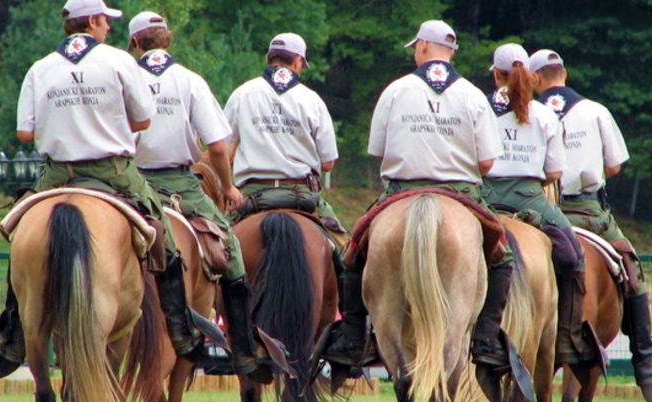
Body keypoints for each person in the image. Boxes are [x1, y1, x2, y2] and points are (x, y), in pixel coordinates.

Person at [0, 0, 205, 373]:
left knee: (19, 234)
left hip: (57, 174)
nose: (108, 28)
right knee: (164, 234)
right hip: (113, 171)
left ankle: (12, 333)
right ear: (92, 20)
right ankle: (179, 325)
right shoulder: (119, 61)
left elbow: (25, 133)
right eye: (105, 21)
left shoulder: (41, 67)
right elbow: (144, 120)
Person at [318, 20, 517, 372]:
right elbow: (487, 163)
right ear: (451, 52)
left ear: (423, 46)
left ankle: (352, 337)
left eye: (415, 47)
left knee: (351, 256)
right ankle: (486, 340)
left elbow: (378, 151)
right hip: (461, 194)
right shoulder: (473, 95)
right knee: (503, 258)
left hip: (402, 191)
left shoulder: (395, 90)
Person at [529, 48, 652, 390]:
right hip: (588, 212)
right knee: (630, 266)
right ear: (564, 73)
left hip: (540, 210)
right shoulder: (595, 110)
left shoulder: (529, 112)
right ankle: (644, 355)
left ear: (535, 79)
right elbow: (613, 166)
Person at [126, 11, 270, 379]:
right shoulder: (190, 81)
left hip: (128, 184)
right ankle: (243, 351)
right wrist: (228, 187)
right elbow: (218, 148)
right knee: (231, 250)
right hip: (180, 185)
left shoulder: (121, 77)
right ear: (167, 39)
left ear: (134, 43)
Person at [481, 43, 600, 368]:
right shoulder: (545, 114)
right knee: (573, 254)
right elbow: (555, 173)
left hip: (484, 198)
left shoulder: (479, 107)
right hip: (530, 197)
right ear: (530, 77)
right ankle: (568, 338)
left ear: (496, 75)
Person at [223, 32, 348, 245]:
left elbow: (223, 151)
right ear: (298, 61)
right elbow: (328, 164)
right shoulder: (312, 99)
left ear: (269, 58)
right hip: (301, 194)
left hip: (251, 194)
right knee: (343, 249)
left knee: (216, 250)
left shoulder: (241, 94)